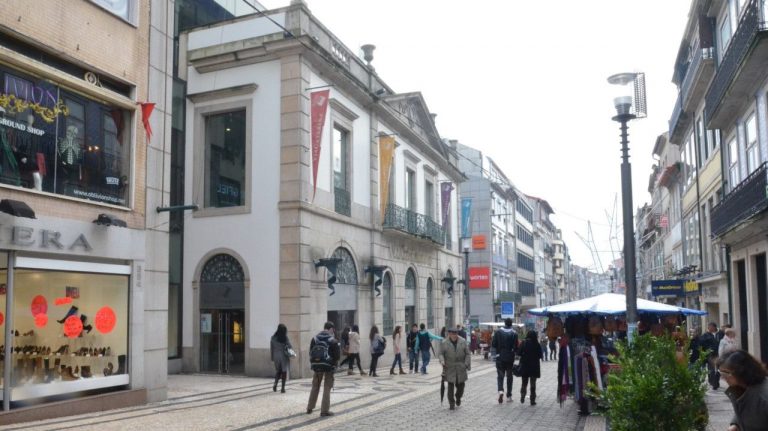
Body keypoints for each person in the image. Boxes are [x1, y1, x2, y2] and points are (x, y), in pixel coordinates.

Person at [716, 350, 768, 431]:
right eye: (721, 373)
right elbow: (742, 409)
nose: (722, 377)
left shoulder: (764, 396)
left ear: (742, 372)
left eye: (725, 373)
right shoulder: (738, 388)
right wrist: (735, 424)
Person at [306, 321, 341, 417]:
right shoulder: (333, 340)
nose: (333, 332)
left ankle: (310, 407)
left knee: (315, 386)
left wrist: (316, 362)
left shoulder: (315, 338)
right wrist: (334, 364)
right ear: (330, 329)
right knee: (327, 387)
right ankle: (324, 410)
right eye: (333, 330)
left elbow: (310, 352)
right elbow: (337, 356)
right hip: (328, 367)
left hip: (317, 366)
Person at [439, 327, 471, 410]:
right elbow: (441, 354)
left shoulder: (463, 341)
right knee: (450, 385)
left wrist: (466, 364)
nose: (454, 335)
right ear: (449, 334)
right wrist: (442, 361)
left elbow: (468, 354)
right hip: (449, 366)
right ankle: (451, 403)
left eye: (456, 334)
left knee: (461, 386)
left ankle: (458, 396)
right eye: (452, 334)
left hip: (461, 366)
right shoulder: (444, 342)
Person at [491, 318, 519, 403]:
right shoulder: (514, 333)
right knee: (509, 377)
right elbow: (515, 347)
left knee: (500, 376)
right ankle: (509, 396)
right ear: (511, 324)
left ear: (504, 323)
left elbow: (493, 344)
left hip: (500, 357)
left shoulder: (498, 332)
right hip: (510, 358)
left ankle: (500, 391)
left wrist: (494, 356)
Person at [519, 330, 543, 405]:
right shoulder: (537, 344)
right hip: (534, 366)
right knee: (533, 383)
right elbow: (540, 355)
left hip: (525, 366)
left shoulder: (524, 343)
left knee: (524, 382)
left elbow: (518, 353)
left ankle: (523, 395)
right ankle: (532, 399)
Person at [270, 323, 293, 393]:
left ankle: (275, 384)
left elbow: (271, 348)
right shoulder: (285, 338)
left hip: (276, 356)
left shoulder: (273, 338)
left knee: (278, 371)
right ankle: (283, 388)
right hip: (283, 356)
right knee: (284, 371)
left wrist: (272, 357)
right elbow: (290, 346)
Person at [700, 322, 721, 389]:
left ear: (714, 327)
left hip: (718, 353)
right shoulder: (705, 335)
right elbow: (702, 343)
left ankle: (716, 381)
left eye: (710, 326)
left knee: (718, 369)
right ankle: (712, 381)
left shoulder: (719, 334)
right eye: (709, 327)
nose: (709, 328)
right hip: (709, 354)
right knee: (711, 369)